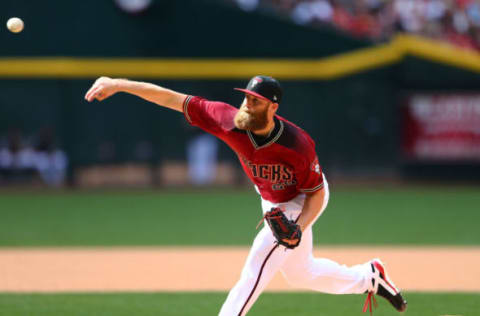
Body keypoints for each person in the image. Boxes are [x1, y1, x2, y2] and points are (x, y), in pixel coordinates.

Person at [85, 75, 407, 315]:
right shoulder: (228, 120)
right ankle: (369, 277)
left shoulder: (296, 144)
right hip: (271, 199)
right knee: (300, 273)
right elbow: (173, 99)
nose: (246, 104)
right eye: (246, 98)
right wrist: (118, 83)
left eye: (255, 100)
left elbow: (318, 194)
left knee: (258, 262)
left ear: (272, 106)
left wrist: (298, 227)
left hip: (300, 200)